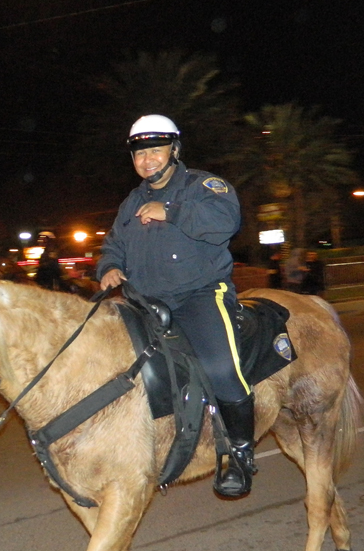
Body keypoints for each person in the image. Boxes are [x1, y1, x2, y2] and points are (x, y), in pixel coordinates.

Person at [97, 114, 254, 498]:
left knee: (220, 368)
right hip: (144, 302)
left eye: (155, 150)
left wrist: (173, 212)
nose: (147, 160)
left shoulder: (203, 186)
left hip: (199, 295)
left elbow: (226, 220)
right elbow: (113, 244)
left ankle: (239, 454)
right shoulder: (131, 203)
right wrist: (110, 267)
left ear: (174, 150)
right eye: (139, 154)